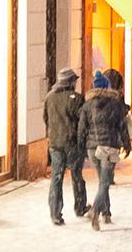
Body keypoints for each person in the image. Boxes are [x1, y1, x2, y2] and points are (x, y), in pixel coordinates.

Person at [77, 71, 131, 230]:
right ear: (107, 87)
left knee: (103, 180)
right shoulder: (115, 104)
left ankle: (106, 213)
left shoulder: (87, 105)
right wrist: (127, 144)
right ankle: (96, 210)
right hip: (109, 146)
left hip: (92, 148)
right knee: (105, 181)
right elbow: (122, 127)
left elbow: (81, 129)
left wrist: (81, 147)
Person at [44, 67, 88, 225]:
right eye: (74, 81)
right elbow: (82, 122)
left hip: (55, 143)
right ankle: (80, 206)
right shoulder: (76, 98)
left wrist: (54, 132)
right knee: (77, 176)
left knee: (57, 178)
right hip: (72, 143)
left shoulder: (49, 97)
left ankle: (55, 213)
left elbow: (46, 118)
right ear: (70, 82)